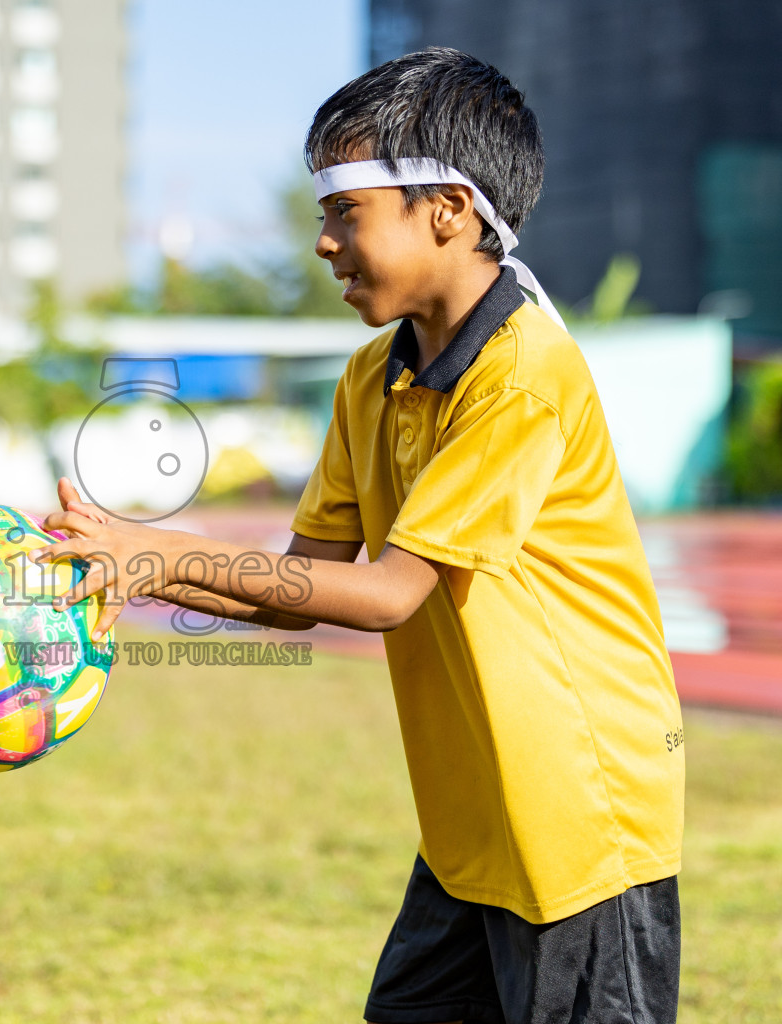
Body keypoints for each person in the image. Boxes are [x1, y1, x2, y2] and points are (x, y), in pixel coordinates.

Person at [33, 49, 684, 1023]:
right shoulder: (370, 376)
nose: (325, 245)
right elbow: (304, 589)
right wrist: (128, 573)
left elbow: (387, 595)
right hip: (469, 819)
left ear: (449, 212)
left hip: (577, 811)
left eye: (346, 211)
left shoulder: (525, 374)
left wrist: (160, 552)